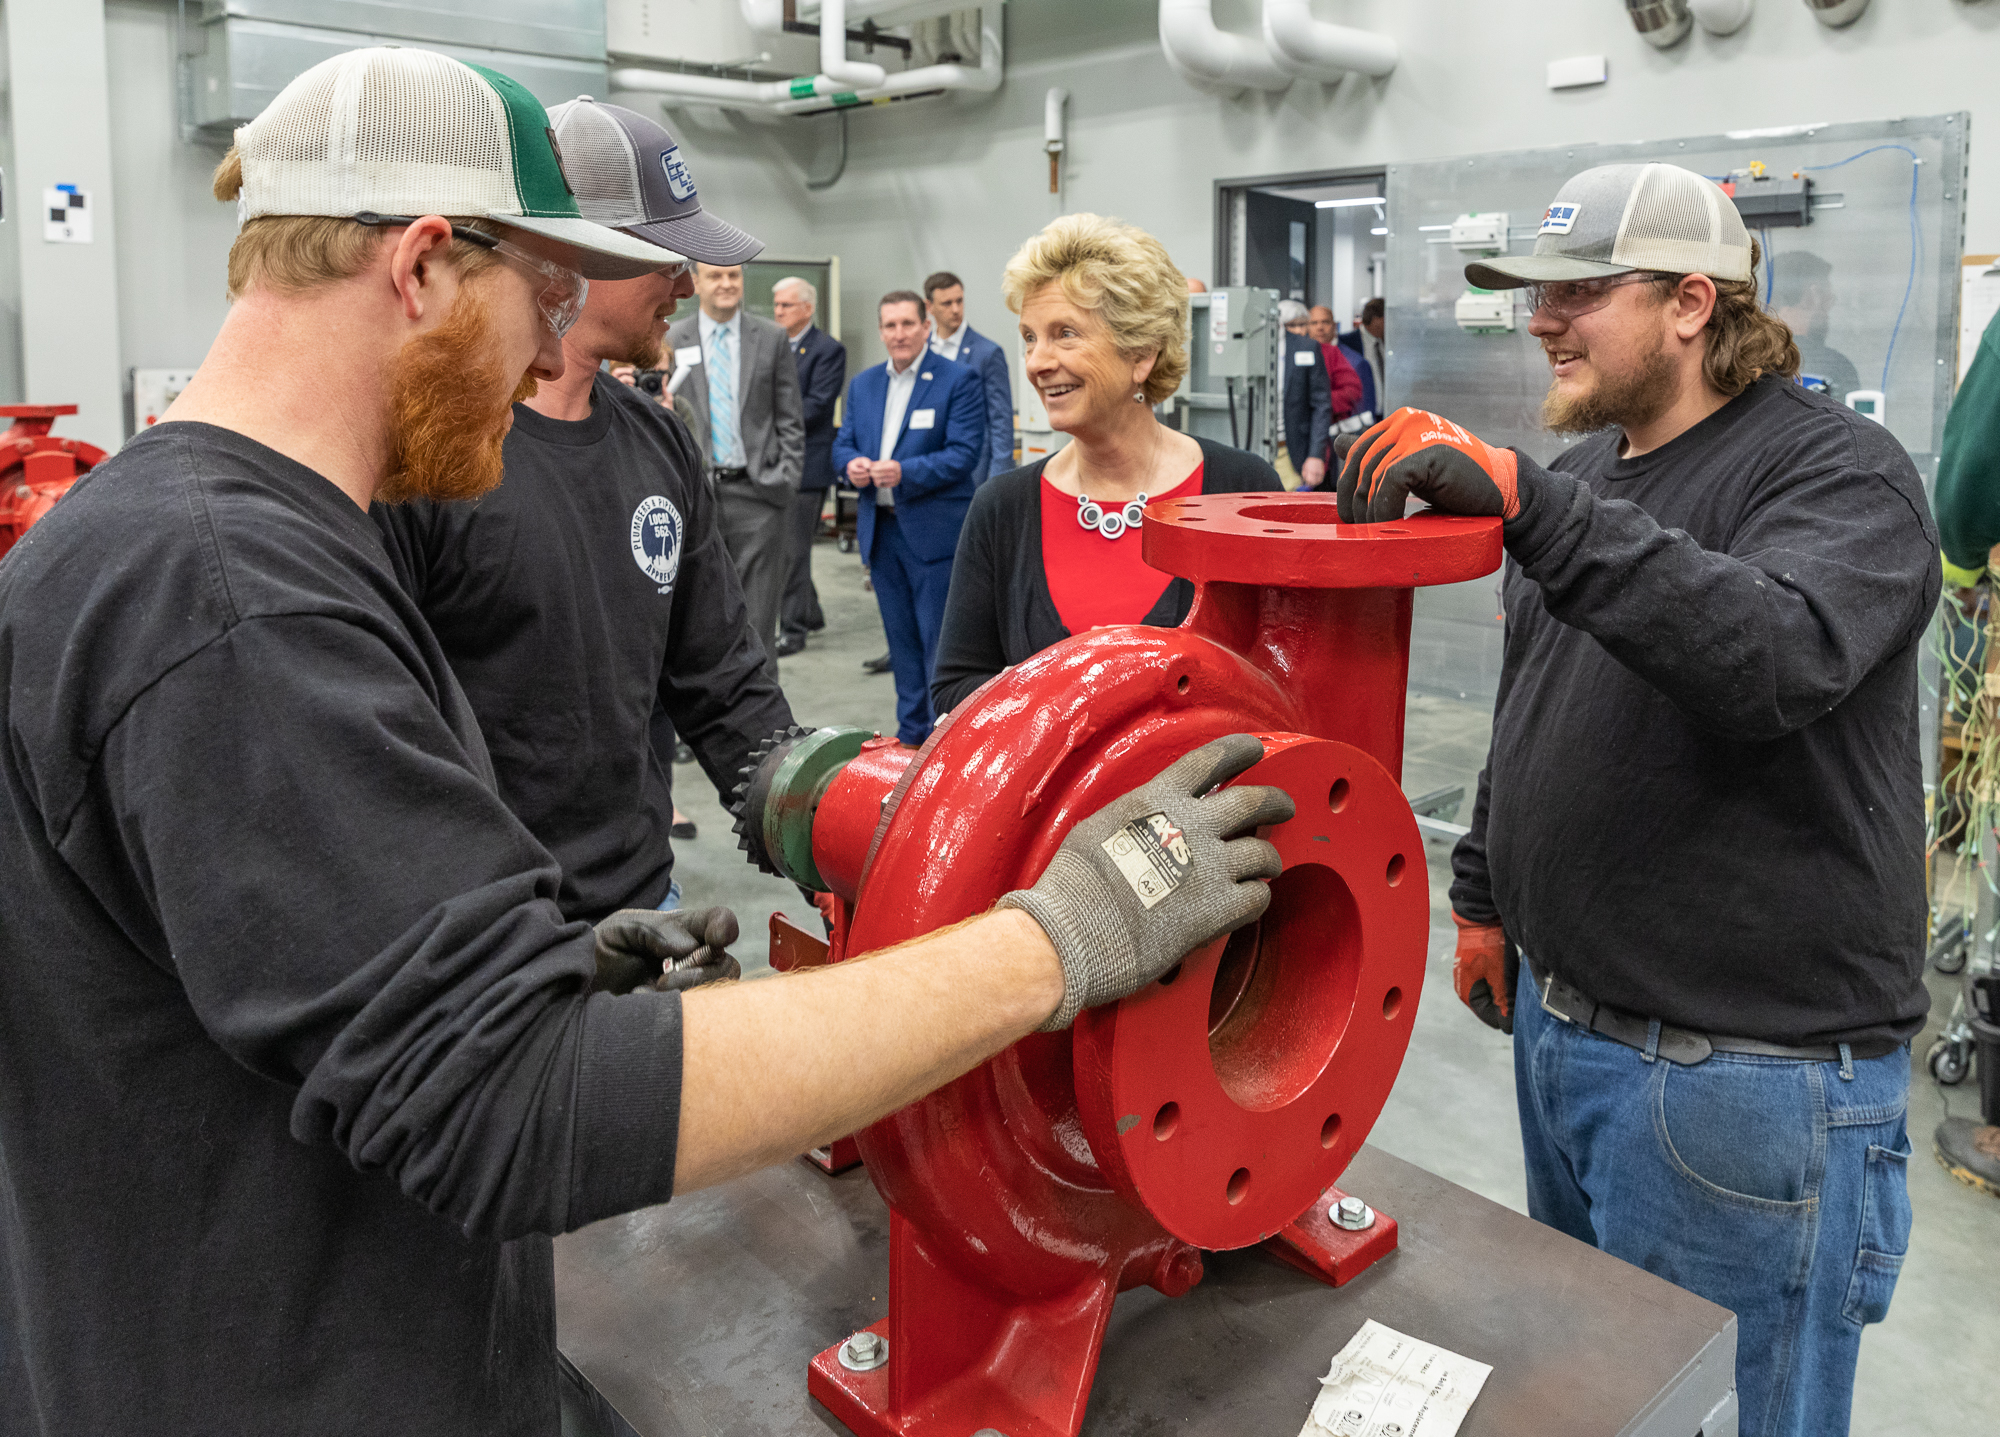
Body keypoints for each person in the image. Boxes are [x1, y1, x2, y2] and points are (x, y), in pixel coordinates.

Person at [0, 45, 1296, 1436]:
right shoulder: (227, 594)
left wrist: (513, 948)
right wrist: (1061, 936)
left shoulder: (237, 539)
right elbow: (519, 1107)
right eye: (539, 297)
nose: (548, 351)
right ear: (427, 266)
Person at [1337, 161, 1936, 1437]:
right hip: (1563, 1040)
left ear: (1688, 303)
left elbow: (1772, 656)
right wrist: (1488, 896)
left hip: (1741, 1083)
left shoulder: (1839, 474)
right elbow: (1536, 701)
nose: (1539, 321)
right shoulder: (1600, 482)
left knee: (1731, 1416)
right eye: (1529, 296)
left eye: (1575, 293)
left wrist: (1530, 507)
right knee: (1619, 1403)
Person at [374, 96, 786, 919]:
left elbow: (721, 678)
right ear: (573, 249)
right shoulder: (427, 460)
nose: (682, 282)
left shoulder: (661, 445)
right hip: (483, 926)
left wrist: (812, 817)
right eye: (663, 255)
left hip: (643, 900)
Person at [933, 214, 1282, 716]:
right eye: (1030, 337)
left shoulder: (1243, 490)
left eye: (1065, 333)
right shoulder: (1001, 507)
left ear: (1141, 354)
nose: (1036, 362)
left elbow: (1278, 682)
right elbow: (955, 685)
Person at [833, 291, 984, 746]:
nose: (898, 334)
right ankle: (912, 735)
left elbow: (963, 454)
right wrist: (851, 465)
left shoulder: (958, 380)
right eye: (890, 326)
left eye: (906, 324)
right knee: (901, 643)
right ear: (881, 332)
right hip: (881, 533)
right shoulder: (862, 385)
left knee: (939, 644)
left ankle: (947, 739)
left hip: (933, 535)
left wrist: (905, 472)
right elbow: (842, 444)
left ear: (925, 327)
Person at [666, 261, 804, 658]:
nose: (726, 284)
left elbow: (790, 418)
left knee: (759, 622)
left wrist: (787, 477)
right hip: (698, 497)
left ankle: (764, 719)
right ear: (696, 283)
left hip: (760, 496)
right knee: (698, 617)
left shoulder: (772, 337)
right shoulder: (675, 338)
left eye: (734, 276)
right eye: (716, 276)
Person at [774, 275, 847, 656]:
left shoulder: (827, 350)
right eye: (777, 305)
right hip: (777, 458)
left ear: (807, 308)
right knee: (791, 544)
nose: (778, 311)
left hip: (808, 463)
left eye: (786, 305)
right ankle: (811, 613)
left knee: (793, 549)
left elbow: (818, 405)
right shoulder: (773, 345)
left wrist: (767, 416)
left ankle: (793, 630)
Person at [925, 269, 1014, 481]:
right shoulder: (922, 352)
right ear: (929, 307)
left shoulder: (987, 353)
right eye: (947, 303)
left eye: (959, 301)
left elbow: (1001, 419)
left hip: (974, 471)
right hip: (930, 470)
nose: (955, 310)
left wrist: (1000, 479)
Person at [1769, 249, 1861, 401]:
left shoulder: (1746, 361)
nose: (1828, 313)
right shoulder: (1833, 366)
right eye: (1828, 300)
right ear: (1813, 296)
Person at [1278, 298, 1333, 490]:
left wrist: (1316, 454)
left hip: (1291, 449)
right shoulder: (1250, 349)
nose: (1300, 330)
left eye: (1303, 324)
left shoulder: (1307, 348)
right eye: (1293, 325)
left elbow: (1321, 404)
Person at [1307, 303, 1367, 424]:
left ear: (1334, 326)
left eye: (1325, 322)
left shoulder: (1348, 358)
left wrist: (1319, 401)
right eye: (1314, 323)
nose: (1320, 327)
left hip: (1331, 426)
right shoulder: (1298, 352)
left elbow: (1354, 392)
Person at [1338, 296, 1385, 417]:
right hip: (1360, 415)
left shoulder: (1388, 344)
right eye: (1387, 319)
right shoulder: (1346, 342)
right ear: (1376, 320)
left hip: (1387, 414)